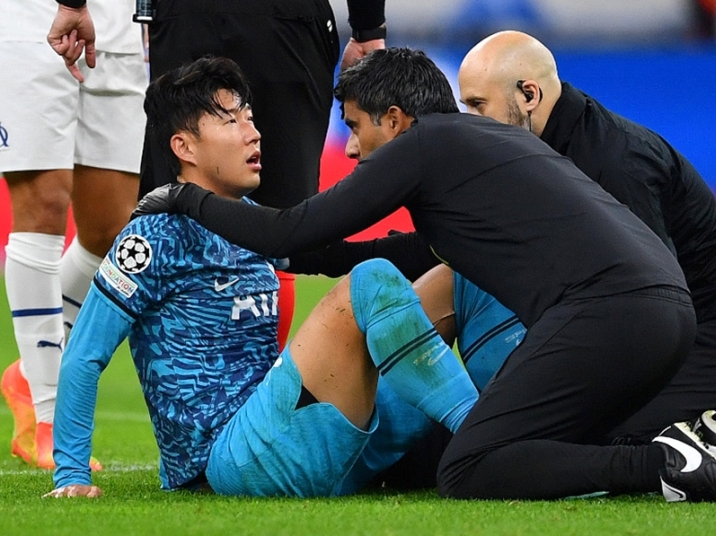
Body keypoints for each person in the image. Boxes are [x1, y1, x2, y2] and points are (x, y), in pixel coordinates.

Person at [133, 47, 716, 502]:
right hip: (662, 309)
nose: (351, 148)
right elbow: (412, 252)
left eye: (355, 126)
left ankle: (664, 463)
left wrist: (182, 197)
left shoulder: (425, 146)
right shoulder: (482, 146)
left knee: (469, 467)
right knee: (538, 444)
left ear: (395, 120)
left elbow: (290, 228)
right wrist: (300, 259)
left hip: (613, 313)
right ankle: (695, 451)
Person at [44, 56, 478, 499]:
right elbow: (84, 354)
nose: (253, 133)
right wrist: (71, 475)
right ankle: (482, 434)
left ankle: (504, 423)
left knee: (459, 277)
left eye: (249, 118)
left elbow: (336, 254)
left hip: (289, 432)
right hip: (229, 458)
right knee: (370, 281)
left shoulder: (252, 222)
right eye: (231, 121)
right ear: (184, 147)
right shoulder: (154, 237)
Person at [456, 30, 716, 450]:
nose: (469, 122)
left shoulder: (614, 163)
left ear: (529, 95)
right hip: (667, 325)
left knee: (602, 437)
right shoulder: (533, 147)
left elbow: (657, 308)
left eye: (477, 105)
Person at [47, 0, 388, 350]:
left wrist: (73, 5)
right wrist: (369, 28)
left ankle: (200, 377)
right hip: (284, 24)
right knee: (280, 224)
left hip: (188, 18)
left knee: (176, 222)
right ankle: (247, 378)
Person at [0, 0, 147, 470]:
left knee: (112, 231)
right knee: (44, 202)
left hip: (119, 28)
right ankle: (48, 418)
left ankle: (30, 374)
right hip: (32, 20)